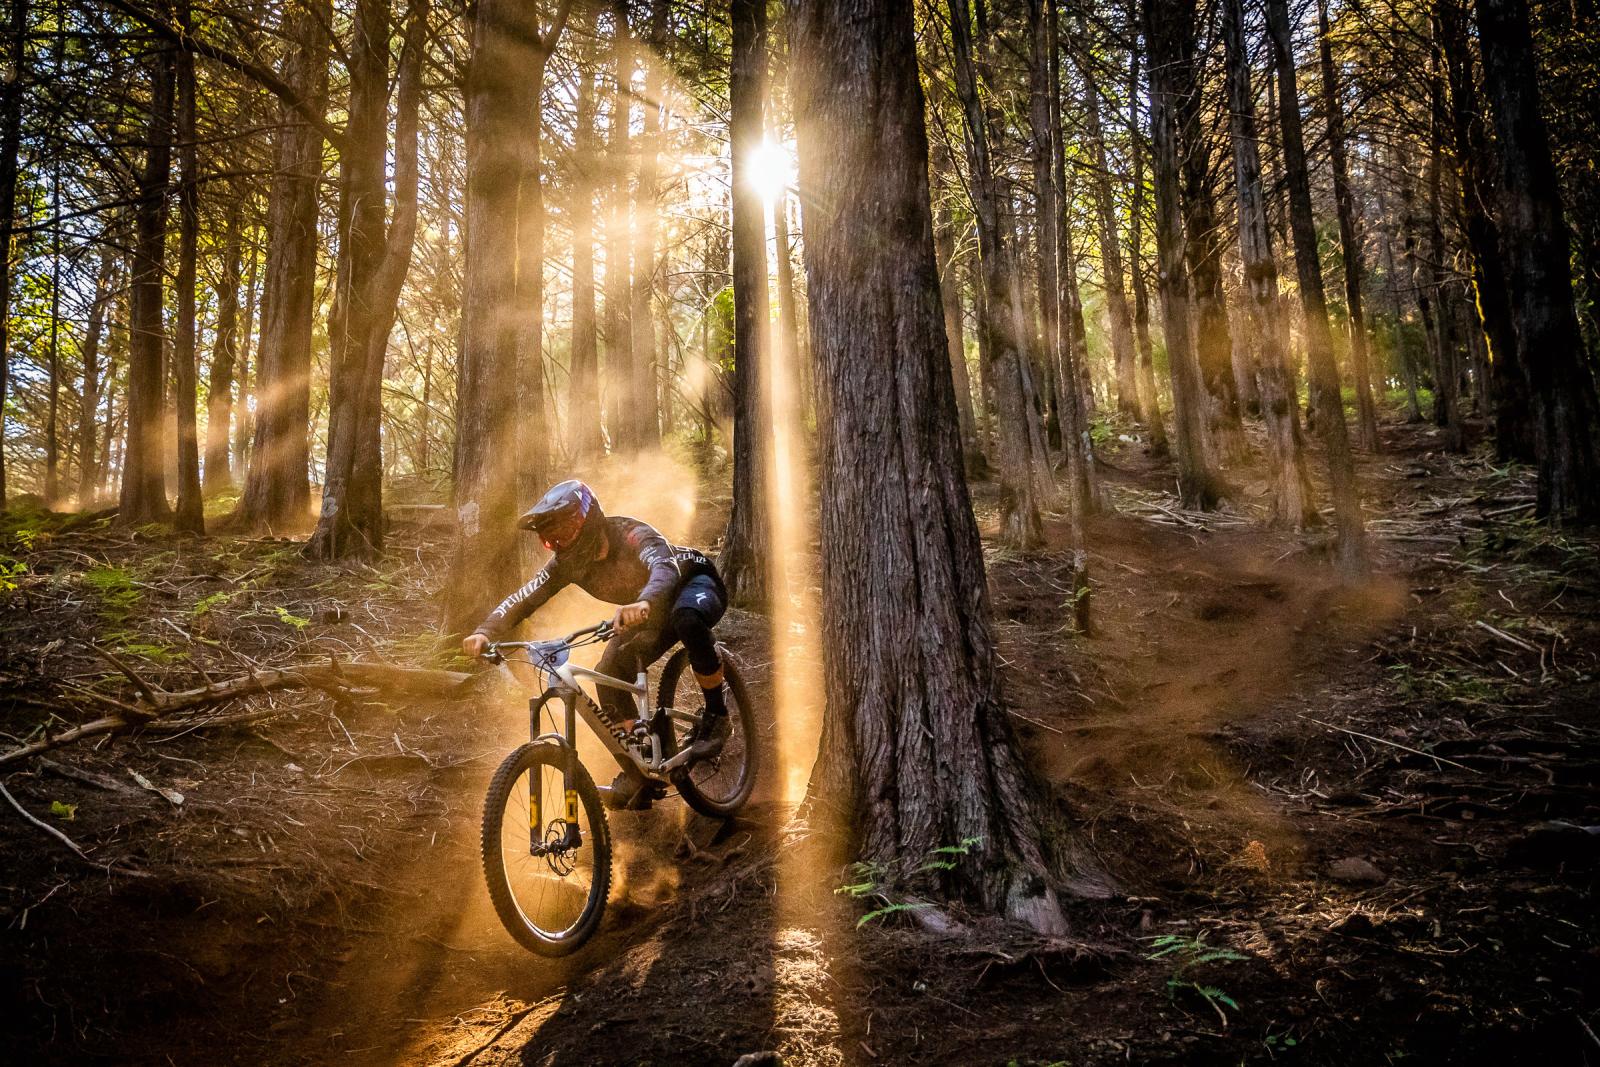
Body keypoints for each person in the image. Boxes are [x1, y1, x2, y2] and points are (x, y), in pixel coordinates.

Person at [462, 480, 729, 810]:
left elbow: (664, 566)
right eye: (550, 538)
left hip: (694, 583)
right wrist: (485, 631)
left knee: (687, 619)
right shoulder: (567, 563)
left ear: (588, 519)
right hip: (649, 611)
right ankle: (640, 768)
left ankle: (717, 715)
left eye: (564, 529)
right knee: (608, 672)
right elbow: (525, 597)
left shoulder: (630, 534)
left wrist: (644, 601)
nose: (559, 541)